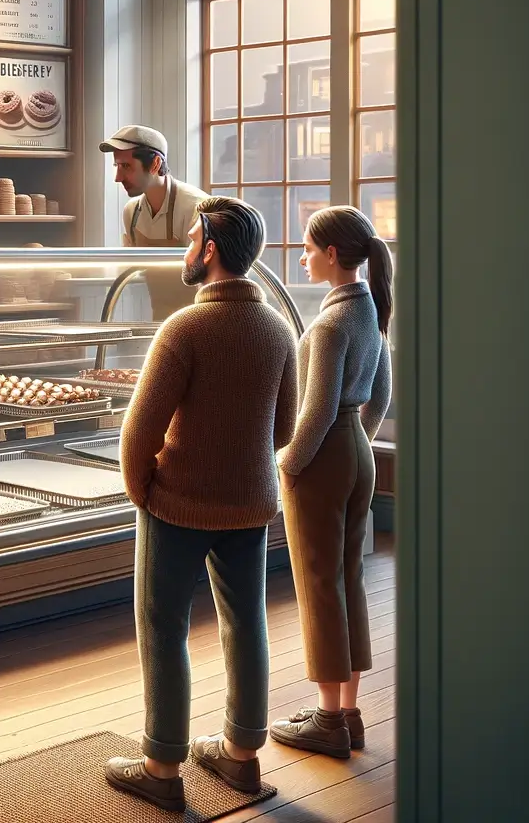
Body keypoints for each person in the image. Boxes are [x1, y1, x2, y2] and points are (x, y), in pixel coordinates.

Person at [105, 196, 298, 813]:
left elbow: (140, 429)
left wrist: (145, 489)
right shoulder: (276, 329)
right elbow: (285, 426)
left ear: (211, 250)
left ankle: (162, 765)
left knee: (164, 627)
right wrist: (239, 463)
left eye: (192, 238)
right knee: (248, 624)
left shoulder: (183, 329)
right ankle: (241, 758)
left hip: (178, 504)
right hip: (250, 503)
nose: (187, 247)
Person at [267, 207, 394, 758]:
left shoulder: (329, 324)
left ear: (333, 255)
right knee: (347, 579)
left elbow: (315, 411)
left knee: (318, 586)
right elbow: (381, 394)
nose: (303, 256)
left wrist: (288, 463)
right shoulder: (369, 312)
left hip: (324, 458)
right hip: (357, 454)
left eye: (309, 248)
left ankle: (325, 721)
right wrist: (357, 439)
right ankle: (347, 712)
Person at [101, 125, 212, 321]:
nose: (118, 178)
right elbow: (132, 270)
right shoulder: (132, 213)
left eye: (126, 166)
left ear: (154, 164)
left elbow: (209, 283)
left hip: (199, 324)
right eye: (116, 166)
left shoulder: (196, 208)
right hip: (159, 324)